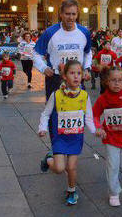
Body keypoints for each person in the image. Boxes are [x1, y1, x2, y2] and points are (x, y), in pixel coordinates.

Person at [38, 60, 96, 206]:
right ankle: (48, 159)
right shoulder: (56, 95)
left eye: (79, 73)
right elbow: (46, 114)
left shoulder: (84, 95)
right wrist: (42, 128)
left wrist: (96, 131)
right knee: (59, 168)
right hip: (60, 137)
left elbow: (88, 116)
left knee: (71, 167)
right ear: (64, 76)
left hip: (76, 137)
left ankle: (72, 191)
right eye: (72, 73)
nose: (76, 77)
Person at [92, 66, 122, 207]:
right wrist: (99, 127)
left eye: (120, 80)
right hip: (111, 137)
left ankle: (115, 176)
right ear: (107, 81)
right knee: (112, 166)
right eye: (113, 80)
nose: (117, 83)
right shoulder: (103, 99)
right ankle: (114, 192)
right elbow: (95, 115)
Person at [33, 0, 92, 100]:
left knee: (78, 111)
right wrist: (44, 68)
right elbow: (36, 53)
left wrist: (86, 68)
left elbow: (87, 53)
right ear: (61, 14)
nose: (70, 17)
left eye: (73, 14)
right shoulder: (50, 32)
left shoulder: (84, 32)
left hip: (77, 78)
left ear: (77, 15)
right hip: (56, 79)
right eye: (67, 14)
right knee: (55, 112)